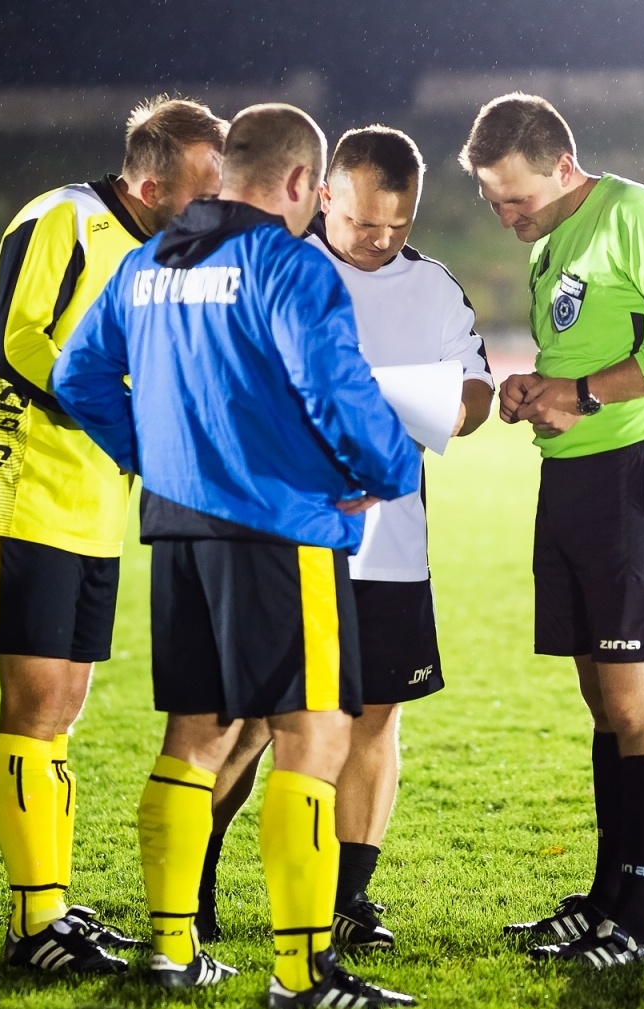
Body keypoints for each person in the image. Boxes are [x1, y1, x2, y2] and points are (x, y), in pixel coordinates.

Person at [51, 103, 422, 1009]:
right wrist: (390, 470)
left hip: (181, 528)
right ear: (300, 183)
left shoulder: (150, 262)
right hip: (282, 530)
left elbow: (76, 377)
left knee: (194, 737)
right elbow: (334, 390)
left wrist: (155, 456)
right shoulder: (289, 266)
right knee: (315, 733)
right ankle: (301, 974)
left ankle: (172, 951)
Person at [0, 97, 227, 975]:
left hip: (92, 499)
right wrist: (134, 416)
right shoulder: (65, 219)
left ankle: (48, 906)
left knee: (64, 705)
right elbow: (19, 342)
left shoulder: (160, 253)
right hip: (20, 488)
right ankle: (34, 926)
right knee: (34, 703)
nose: (214, 206)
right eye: (203, 189)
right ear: (150, 185)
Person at [194, 124, 494, 952]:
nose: (379, 238)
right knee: (257, 721)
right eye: (363, 221)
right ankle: (194, 878)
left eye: (398, 224)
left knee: (375, 716)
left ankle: (347, 898)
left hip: (392, 550)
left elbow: (475, 393)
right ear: (324, 195)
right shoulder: (275, 269)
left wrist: (429, 410)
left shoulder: (432, 285)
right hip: (284, 543)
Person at [459, 93, 644, 968]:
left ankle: (637, 922)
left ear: (564, 168)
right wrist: (537, 389)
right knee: (602, 700)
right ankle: (607, 900)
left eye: (518, 199)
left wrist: (578, 393)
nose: (508, 218)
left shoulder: (632, 214)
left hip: (636, 478)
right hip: (573, 480)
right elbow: (585, 353)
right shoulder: (553, 242)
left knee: (636, 701)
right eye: (493, 202)